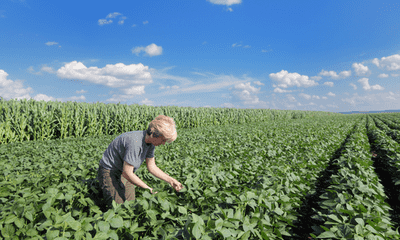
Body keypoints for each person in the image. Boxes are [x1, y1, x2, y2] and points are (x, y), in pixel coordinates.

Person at [97, 114, 183, 209]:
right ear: (155, 134)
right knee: (118, 207)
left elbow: (152, 167)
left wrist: (171, 181)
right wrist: (148, 188)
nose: (163, 144)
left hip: (125, 171)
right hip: (110, 171)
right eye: (163, 140)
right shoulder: (135, 142)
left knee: (130, 204)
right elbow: (127, 173)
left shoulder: (150, 144)